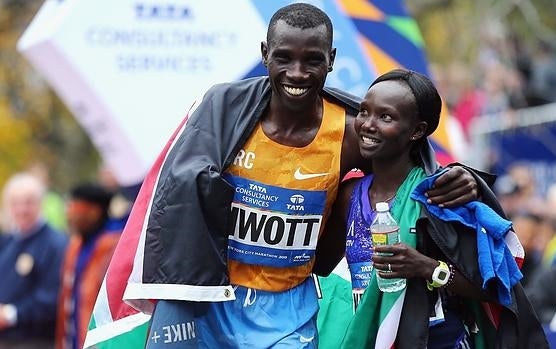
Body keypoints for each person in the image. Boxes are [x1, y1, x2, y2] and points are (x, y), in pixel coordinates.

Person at [86, 3, 488, 348]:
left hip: (289, 310)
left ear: (331, 59)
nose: (297, 73)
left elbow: (408, 165)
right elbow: (171, 190)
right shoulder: (225, 114)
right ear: (265, 54)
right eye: (284, 58)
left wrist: (463, 178)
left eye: (312, 60)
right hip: (211, 301)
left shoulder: (349, 134)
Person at [327, 69, 548, 348]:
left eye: (385, 117)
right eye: (364, 112)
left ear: (417, 130)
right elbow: (322, 266)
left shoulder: (439, 194)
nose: (368, 124)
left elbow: (493, 287)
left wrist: (427, 267)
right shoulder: (349, 194)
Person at [0, 173, 67, 349]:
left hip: (36, 341)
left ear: (40, 203)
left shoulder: (56, 245)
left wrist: (9, 314)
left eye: (28, 202)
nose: (22, 209)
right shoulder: (8, 241)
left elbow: (52, 297)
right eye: (15, 203)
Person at [56, 183, 122, 349]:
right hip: (72, 338)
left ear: (94, 212)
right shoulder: (76, 245)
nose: (70, 217)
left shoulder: (115, 246)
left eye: (76, 211)